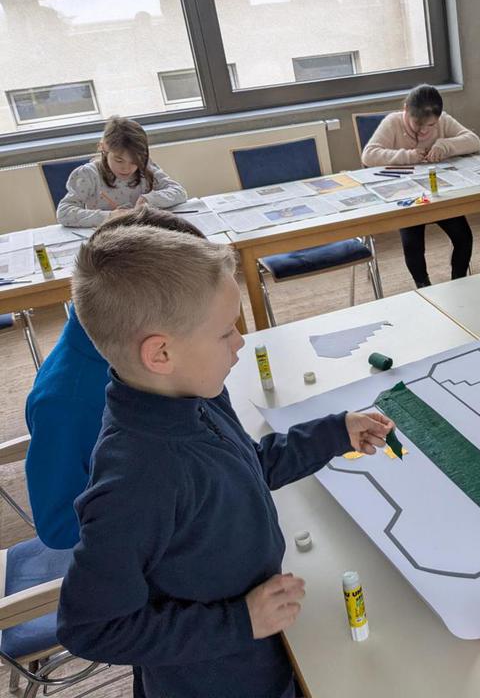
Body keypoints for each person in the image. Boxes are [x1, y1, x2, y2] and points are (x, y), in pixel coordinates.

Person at [57, 225, 395, 698]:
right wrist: (240, 621)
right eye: (224, 332)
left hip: (266, 642)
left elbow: (245, 467)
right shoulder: (136, 480)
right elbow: (91, 627)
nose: (240, 342)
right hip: (219, 678)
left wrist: (334, 433)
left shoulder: (194, 395)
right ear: (161, 353)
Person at [25, 205, 205, 550]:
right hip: (149, 550)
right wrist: (170, 501)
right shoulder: (64, 403)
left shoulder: (138, 344)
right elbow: (59, 526)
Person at [361, 84, 480, 287]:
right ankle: (424, 287)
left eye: (431, 125)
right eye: (417, 124)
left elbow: (474, 141)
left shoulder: (443, 120)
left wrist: (444, 145)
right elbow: (369, 155)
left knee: (464, 237)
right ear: (406, 109)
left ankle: (458, 282)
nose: (424, 130)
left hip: (438, 194)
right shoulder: (393, 122)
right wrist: (408, 156)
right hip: (407, 196)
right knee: (412, 244)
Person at [56, 115, 186, 227]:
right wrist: (110, 216)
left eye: (134, 161)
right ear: (103, 148)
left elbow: (179, 192)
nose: (126, 168)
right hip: (107, 238)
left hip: (143, 233)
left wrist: (148, 199)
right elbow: (63, 213)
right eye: (119, 160)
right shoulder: (88, 175)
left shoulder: (145, 167)